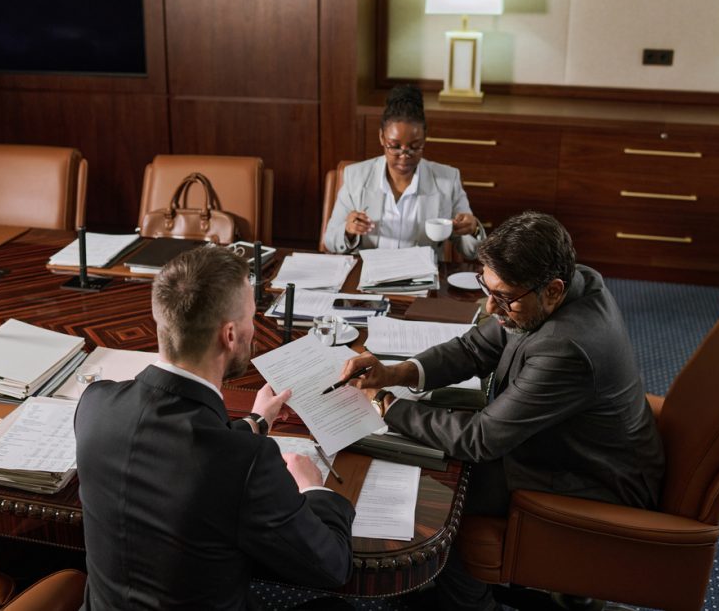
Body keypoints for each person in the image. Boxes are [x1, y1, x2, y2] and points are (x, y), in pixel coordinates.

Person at [340, 211, 664, 610]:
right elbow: (476, 347)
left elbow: (481, 440)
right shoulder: (568, 281)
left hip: (594, 476)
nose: (490, 306)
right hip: (568, 444)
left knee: (442, 496)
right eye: (486, 287)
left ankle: (471, 603)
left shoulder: (567, 348)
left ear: (553, 291)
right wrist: (395, 372)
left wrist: (386, 406)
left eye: (504, 297)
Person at [76, 246, 355, 610]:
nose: (255, 329)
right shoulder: (246, 463)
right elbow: (332, 566)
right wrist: (315, 488)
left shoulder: (94, 404)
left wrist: (255, 423)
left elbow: (178, 455)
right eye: (253, 318)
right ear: (229, 335)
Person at [323, 85, 484, 258]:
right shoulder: (356, 176)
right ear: (381, 137)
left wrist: (473, 229)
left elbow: (471, 252)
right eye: (395, 147)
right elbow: (330, 241)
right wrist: (348, 231)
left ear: (425, 139)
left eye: (415, 147)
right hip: (369, 275)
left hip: (421, 277)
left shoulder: (447, 180)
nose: (404, 156)